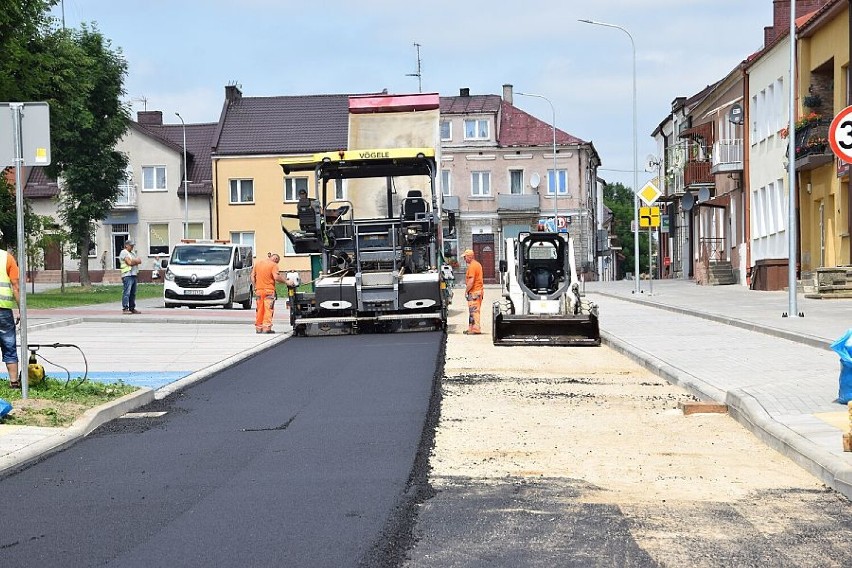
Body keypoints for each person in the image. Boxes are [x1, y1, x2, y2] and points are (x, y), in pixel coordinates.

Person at [0, 229, 21, 388]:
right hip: (3, 310)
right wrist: (22, 310)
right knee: (9, 345)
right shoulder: (7, 258)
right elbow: (15, 287)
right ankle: (14, 382)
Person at [251, 252, 289, 333]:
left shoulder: (258, 263)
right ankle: (267, 328)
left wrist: (255, 287)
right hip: (268, 291)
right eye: (277, 261)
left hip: (259, 290)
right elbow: (276, 277)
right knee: (268, 309)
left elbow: (252, 276)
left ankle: (258, 328)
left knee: (259, 309)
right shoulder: (273, 265)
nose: (277, 263)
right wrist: (286, 282)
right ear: (275, 259)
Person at [462, 248, 484, 335]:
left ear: (469, 257)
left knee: (474, 311)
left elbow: (471, 281)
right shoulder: (476, 265)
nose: (464, 259)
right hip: (477, 291)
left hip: (474, 292)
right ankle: (471, 328)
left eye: (465, 257)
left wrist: (466, 291)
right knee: (472, 311)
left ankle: (476, 329)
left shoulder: (472, 266)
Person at [119, 239, 143, 314]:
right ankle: (125, 308)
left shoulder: (132, 253)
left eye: (133, 245)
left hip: (134, 274)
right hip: (127, 275)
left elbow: (139, 261)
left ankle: (132, 308)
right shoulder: (124, 252)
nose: (132, 247)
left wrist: (134, 261)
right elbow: (129, 262)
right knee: (127, 292)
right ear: (126, 245)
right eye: (131, 245)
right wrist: (135, 261)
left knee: (133, 293)